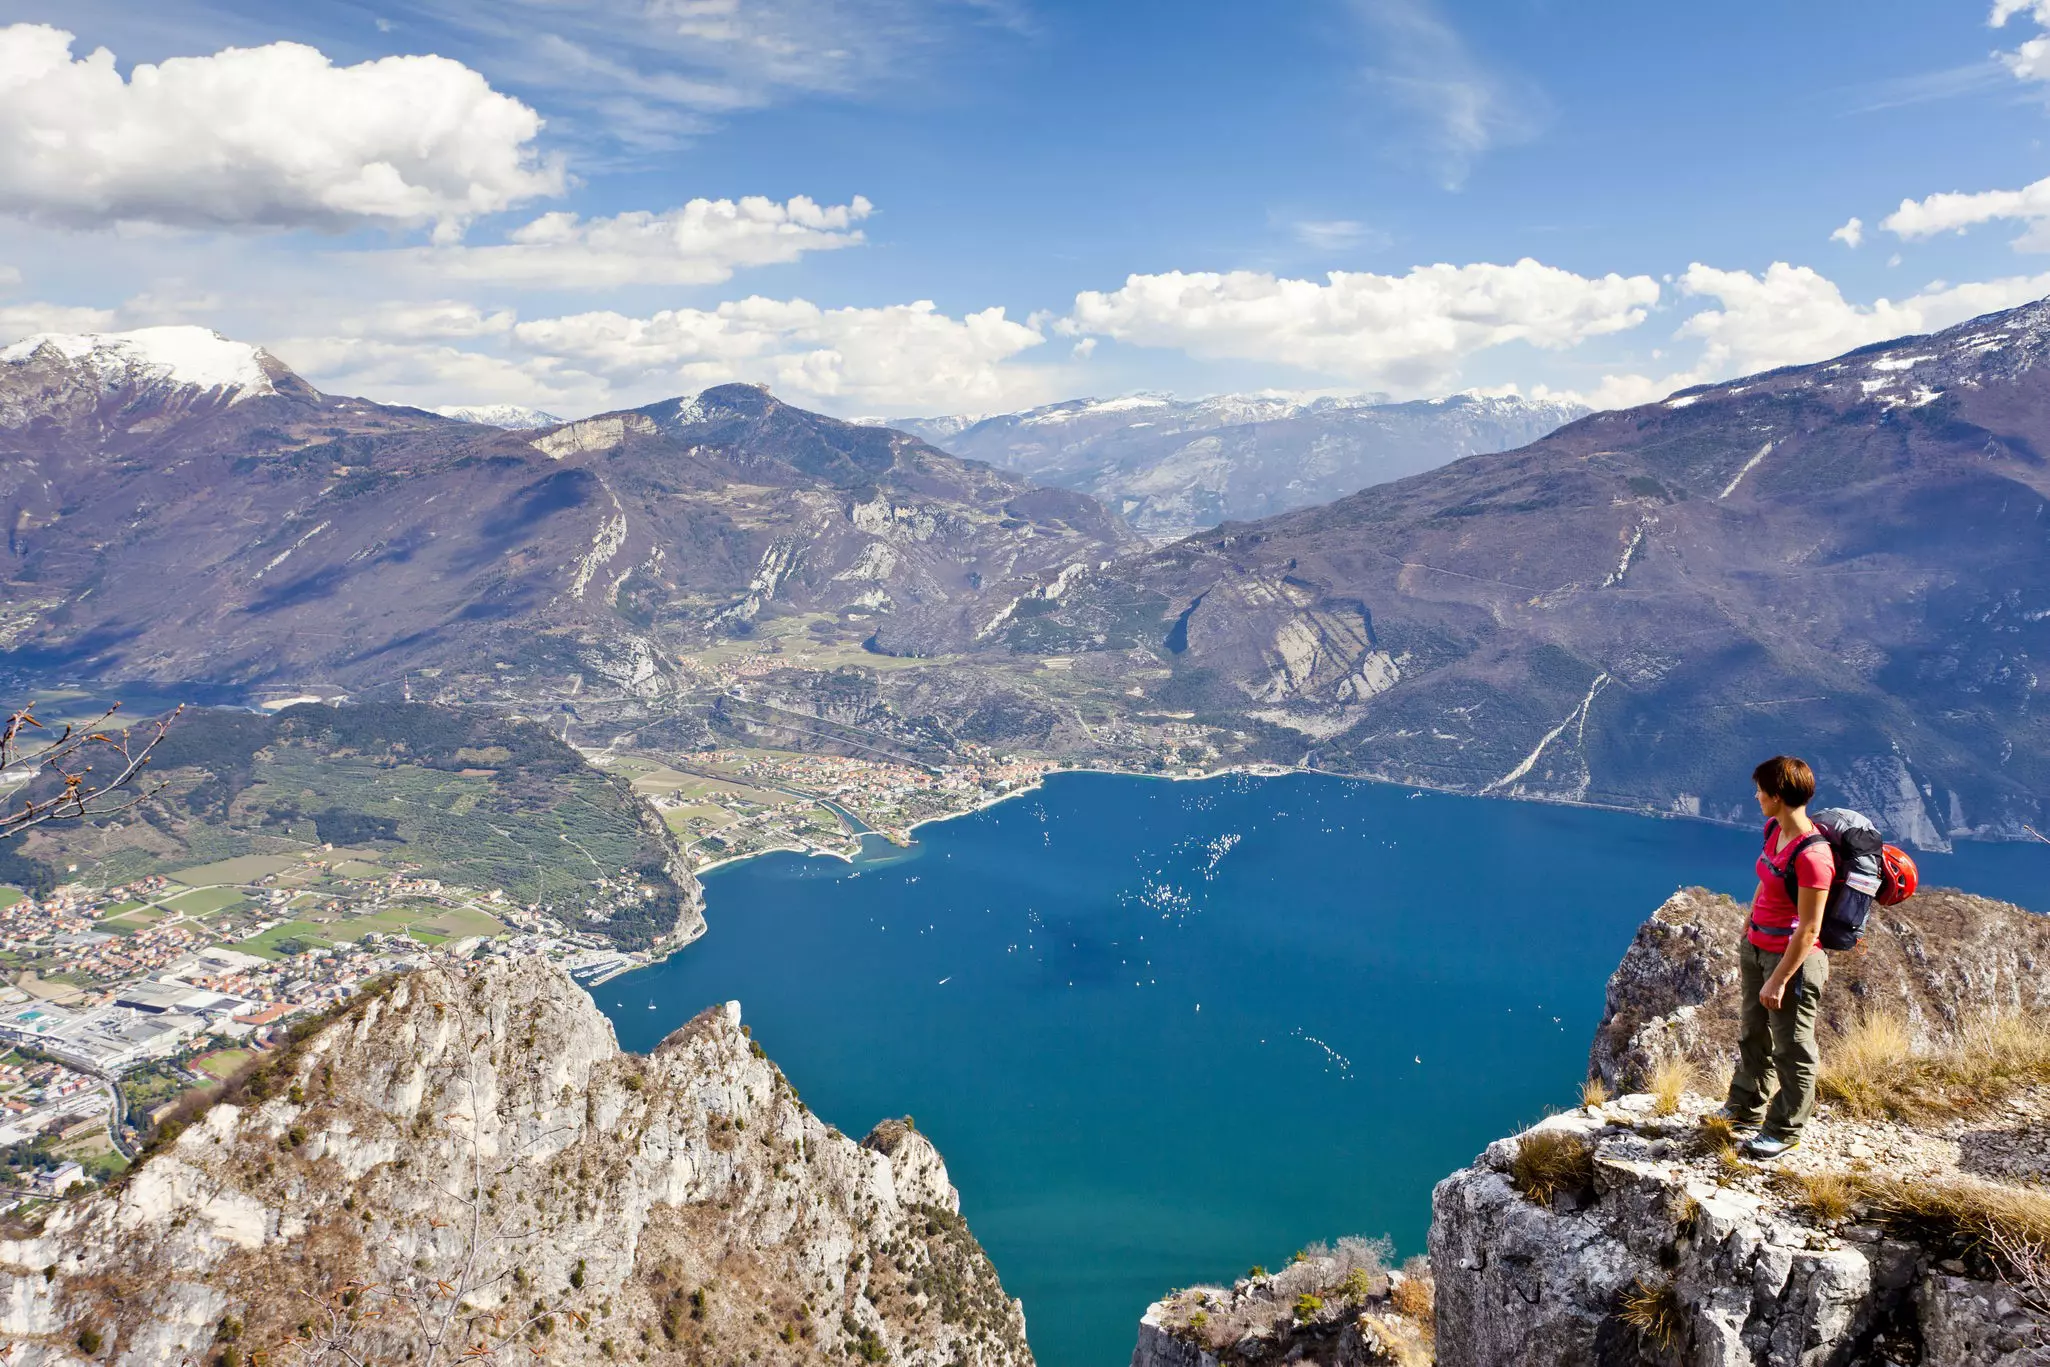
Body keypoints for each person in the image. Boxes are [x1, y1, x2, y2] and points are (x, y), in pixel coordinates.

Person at [1719, 754, 1833, 1159]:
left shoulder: (1813, 857)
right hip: (1756, 947)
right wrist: (1749, 932)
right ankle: (1745, 1106)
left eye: (1761, 790)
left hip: (1791, 961)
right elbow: (1766, 884)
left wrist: (1780, 978)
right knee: (1753, 1032)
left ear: (1778, 795)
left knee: (1792, 1047)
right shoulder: (1774, 830)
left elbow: (1809, 929)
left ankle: (1784, 1129)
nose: (1756, 796)